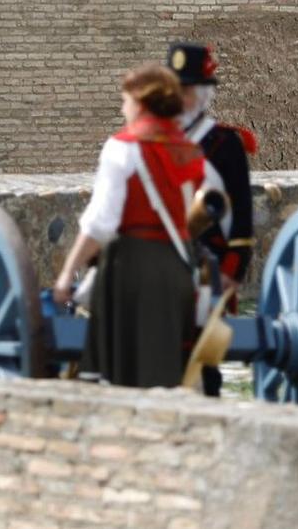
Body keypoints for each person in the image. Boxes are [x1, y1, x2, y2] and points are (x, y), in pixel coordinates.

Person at [51, 64, 205, 389]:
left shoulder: (122, 148)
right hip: (178, 269)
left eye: (125, 101)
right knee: (166, 377)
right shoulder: (190, 150)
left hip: (130, 273)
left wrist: (67, 274)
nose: (123, 109)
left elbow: (101, 223)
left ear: (140, 101)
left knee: (121, 380)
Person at [167, 42, 255, 398]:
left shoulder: (224, 144)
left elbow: (243, 218)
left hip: (210, 266)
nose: (180, 98)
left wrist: (232, 272)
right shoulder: (155, 139)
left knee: (204, 362)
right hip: (160, 256)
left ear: (204, 94)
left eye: (187, 90)